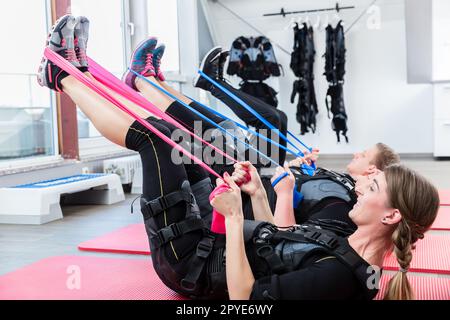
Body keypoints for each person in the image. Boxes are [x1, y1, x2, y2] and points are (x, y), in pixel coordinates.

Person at [38, 15, 439, 300]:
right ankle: (93, 73)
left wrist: (234, 218)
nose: (362, 187)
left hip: (189, 264)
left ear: (390, 216)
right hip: (215, 241)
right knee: (186, 140)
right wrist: (259, 196)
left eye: (371, 185)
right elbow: (277, 240)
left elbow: (246, 296)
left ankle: (62, 76)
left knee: (157, 141)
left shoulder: (340, 277)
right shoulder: (352, 243)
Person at [263, 144, 401, 232]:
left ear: (372, 170)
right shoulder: (346, 180)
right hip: (261, 185)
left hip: (259, 201)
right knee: (275, 118)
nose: (356, 154)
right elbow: (314, 196)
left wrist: (286, 194)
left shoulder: (341, 205)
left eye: (363, 155)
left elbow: (287, 236)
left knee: (274, 118)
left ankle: (259, 161)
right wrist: (305, 171)